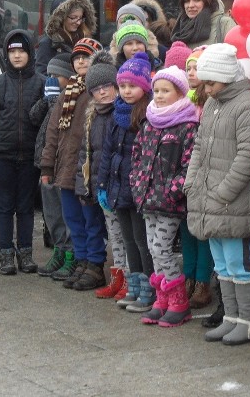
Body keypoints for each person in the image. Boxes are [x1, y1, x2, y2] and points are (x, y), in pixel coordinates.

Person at [184, 43, 250, 345]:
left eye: (211, 82)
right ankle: (231, 317)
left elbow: (248, 154)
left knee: (239, 264)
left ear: (226, 77)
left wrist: (224, 191)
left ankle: (247, 321)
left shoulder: (245, 105)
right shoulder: (213, 105)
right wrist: (192, 182)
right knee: (222, 265)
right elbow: (200, 148)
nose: (207, 88)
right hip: (209, 199)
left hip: (232, 201)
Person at [131, 65, 199, 327]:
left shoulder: (186, 126)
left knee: (161, 249)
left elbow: (189, 164)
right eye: (156, 90)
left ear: (180, 93)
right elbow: (137, 158)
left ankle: (179, 302)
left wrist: (174, 189)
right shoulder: (149, 124)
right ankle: (163, 298)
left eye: (165, 91)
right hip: (148, 199)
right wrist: (137, 184)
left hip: (169, 203)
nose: (159, 96)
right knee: (152, 248)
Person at [0, 29, 45, 275]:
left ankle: (25, 252)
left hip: (29, 156)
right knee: (4, 206)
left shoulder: (41, 83)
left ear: (30, 53)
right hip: (2, 155)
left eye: (21, 51)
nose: (17, 56)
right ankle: (5, 253)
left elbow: (47, 123)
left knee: (25, 207)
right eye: (12, 51)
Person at [41, 38, 106, 291]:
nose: (80, 61)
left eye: (86, 56)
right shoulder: (68, 92)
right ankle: (80, 261)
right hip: (66, 168)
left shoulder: (98, 92)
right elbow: (53, 133)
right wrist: (48, 166)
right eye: (76, 58)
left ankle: (95, 264)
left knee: (91, 220)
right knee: (73, 219)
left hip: (87, 169)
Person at [97, 51, 156, 313]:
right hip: (118, 189)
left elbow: (147, 158)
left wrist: (144, 187)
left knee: (143, 241)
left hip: (139, 191)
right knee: (129, 240)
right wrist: (102, 185)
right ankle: (135, 285)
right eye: (122, 86)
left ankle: (150, 289)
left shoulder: (148, 116)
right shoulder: (116, 116)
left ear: (144, 87)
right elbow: (108, 154)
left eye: (132, 86)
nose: (127, 91)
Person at [78, 51, 128, 300]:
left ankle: (131, 279)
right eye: (97, 88)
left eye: (108, 86)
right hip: (102, 186)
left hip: (121, 185)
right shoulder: (92, 115)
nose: (104, 92)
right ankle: (117, 277)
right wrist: (89, 185)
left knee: (127, 235)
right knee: (115, 235)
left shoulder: (121, 113)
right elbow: (88, 154)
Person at [30, 53, 77, 278]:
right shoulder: (49, 97)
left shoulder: (72, 99)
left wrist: (54, 102)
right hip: (45, 161)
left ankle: (71, 254)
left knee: (65, 211)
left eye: (56, 76)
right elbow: (34, 117)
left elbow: (60, 126)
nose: (50, 80)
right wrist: (48, 100)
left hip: (63, 165)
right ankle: (59, 249)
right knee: (51, 213)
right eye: (48, 75)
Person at [181, 45, 215, 311]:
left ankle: (203, 281)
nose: (193, 73)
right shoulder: (184, 100)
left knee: (202, 233)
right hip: (183, 174)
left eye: (197, 67)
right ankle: (188, 277)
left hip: (205, 174)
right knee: (187, 230)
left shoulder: (210, 103)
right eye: (189, 68)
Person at [35, 0, 97, 73]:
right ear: (61, 18)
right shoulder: (47, 44)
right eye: (73, 18)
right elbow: (41, 74)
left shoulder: (87, 41)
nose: (78, 22)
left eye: (80, 18)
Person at [170, 0, 234, 48]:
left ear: (208, 2)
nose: (190, 5)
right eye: (187, 1)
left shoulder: (224, 23)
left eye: (197, 0)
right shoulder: (179, 28)